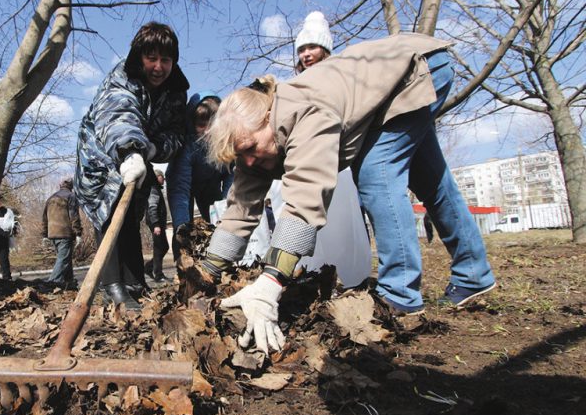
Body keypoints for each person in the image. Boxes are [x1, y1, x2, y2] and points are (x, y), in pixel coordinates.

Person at [201, 33, 496, 353]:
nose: (247, 161)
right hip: (397, 81)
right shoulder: (255, 148)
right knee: (432, 182)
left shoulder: (301, 114)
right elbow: (239, 211)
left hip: (414, 71)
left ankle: (399, 296)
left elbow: (304, 199)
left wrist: (272, 281)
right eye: (238, 156)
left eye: (249, 149)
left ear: (266, 118)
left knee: (376, 174)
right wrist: (205, 273)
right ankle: (472, 275)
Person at [74, 22, 189, 310]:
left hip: (141, 155)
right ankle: (111, 284)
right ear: (139, 57)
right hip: (102, 154)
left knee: (130, 218)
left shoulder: (176, 91)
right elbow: (118, 115)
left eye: (166, 59)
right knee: (110, 211)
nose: (159, 67)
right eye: (152, 58)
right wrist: (129, 150)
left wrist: (151, 148)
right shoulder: (122, 79)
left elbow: (176, 133)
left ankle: (135, 281)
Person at [166, 92, 233, 261]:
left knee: (218, 222)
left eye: (213, 123)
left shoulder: (227, 143)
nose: (207, 130)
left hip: (209, 184)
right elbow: (180, 189)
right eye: (201, 124)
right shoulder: (188, 147)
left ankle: (218, 259)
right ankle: (183, 264)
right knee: (183, 227)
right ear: (193, 123)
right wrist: (182, 226)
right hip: (182, 184)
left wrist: (226, 205)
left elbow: (231, 176)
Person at [42, 178, 82, 289]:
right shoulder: (71, 196)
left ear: (60, 185)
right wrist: (78, 233)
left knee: (66, 258)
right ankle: (51, 284)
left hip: (52, 234)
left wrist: (44, 234)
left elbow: (44, 218)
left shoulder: (51, 198)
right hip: (65, 233)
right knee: (63, 259)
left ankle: (69, 284)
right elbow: (74, 215)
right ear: (71, 185)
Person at [145, 170, 170, 282]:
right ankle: (158, 274)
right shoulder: (153, 190)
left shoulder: (156, 189)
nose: (163, 179)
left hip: (158, 223)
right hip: (156, 223)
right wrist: (156, 225)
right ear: (157, 177)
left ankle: (148, 267)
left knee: (163, 247)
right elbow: (152, 207)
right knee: (159, 247)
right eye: (161, 176)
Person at [0, 196, 15, 282]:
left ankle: (7, 280)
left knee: (4, 262)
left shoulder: (7, 211)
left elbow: (10, 225)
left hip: (3, 241)